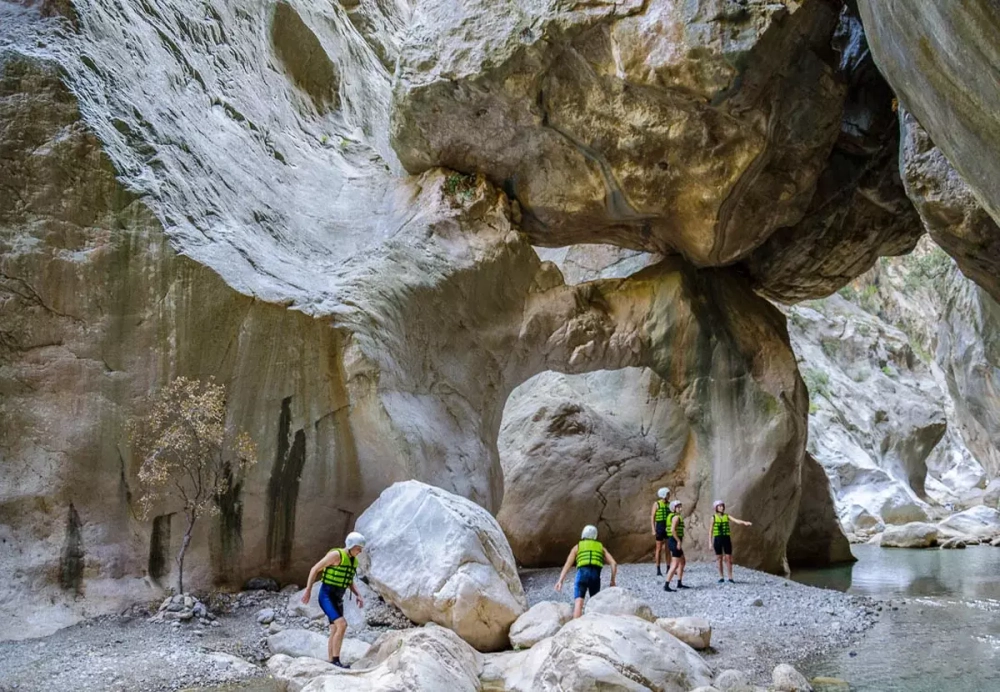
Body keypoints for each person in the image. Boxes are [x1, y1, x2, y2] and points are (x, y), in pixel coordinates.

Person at [302, 531, 367, 668]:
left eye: (361, 549)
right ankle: (336, 661)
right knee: (342, 625)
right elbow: (315, 569)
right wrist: (308, 590)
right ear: (350, 545)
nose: (360, 551)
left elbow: (348, 580)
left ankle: (331, 661)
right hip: (326, 596)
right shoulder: (336, 555)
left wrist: (358, 595)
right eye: (358, 548)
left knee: (334, 628)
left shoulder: (353, 561)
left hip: (338, 598)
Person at [554, 524, 618, 618]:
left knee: (578, 604)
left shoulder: (577, 547)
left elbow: (568, 564)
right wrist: (612, 580)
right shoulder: (601, 547)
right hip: (595, 577)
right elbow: (614, 564)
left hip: (582, 575)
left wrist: (560, 581)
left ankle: (576, 627)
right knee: (594, 604)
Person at [709, 500, 752, 583]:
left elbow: (736, 521)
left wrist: (744, 522)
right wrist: (710, 542)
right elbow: (710, 531)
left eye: (722, 506)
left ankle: (730, 577)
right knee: (719, 558)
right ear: (716, 508)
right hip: (718, 539)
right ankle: (721, 577)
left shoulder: (727, 516)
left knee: (728, 558)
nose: (721, 507)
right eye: (719, 506)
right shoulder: (713, 518)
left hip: (726, 539)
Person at [662, 500, 689, 591]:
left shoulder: (672, 516)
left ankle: (679, 583)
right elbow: (673, 530)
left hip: (672, 540)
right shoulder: (676, 518)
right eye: (678, 507)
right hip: (674, 541)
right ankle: (666, 585)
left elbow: (668, 528)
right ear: (674, 508)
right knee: (675, 564)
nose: (680, 509)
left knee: (682, 561)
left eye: (680, 506)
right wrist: (678, 541)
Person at [650, 487, 671, 576]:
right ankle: (658, 569)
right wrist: (653, 529)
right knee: (658, 549)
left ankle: (668, 568)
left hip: (667, 527)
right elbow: (652, 516)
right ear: (663, 495)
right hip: (660, 527)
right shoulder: (657, 504)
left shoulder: (669, 504)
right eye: (668, 494)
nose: (669, 495)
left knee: (668, 549)